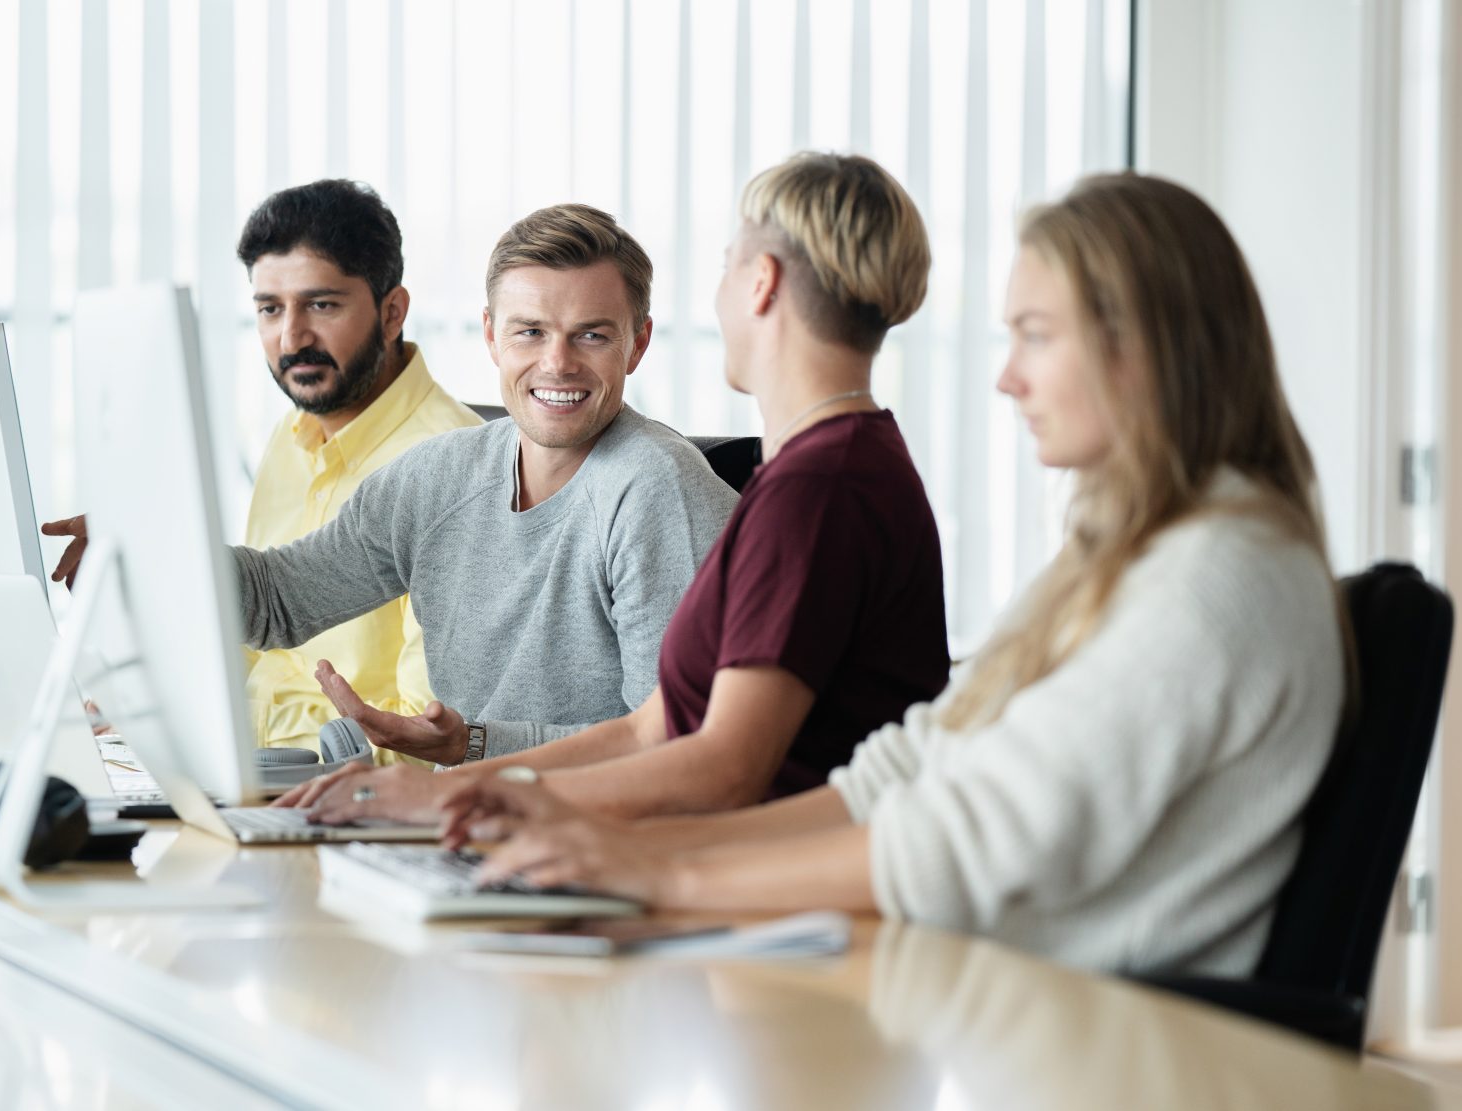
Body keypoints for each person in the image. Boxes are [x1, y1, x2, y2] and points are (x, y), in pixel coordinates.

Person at [438, 173, 1349, 977]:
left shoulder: (1210, 580)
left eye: (1035, 336)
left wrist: (663, 868)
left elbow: (966, 841)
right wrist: (619, 848)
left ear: (1140, 347)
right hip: (977, 991)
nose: (1005, 378)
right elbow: (908, 772)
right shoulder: (1119, 558)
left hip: (1079, 1035)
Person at [288, 153, 950, 822]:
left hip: (764, 884)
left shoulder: (818, 492)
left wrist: (453, 798)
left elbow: (717, 767)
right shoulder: (819, 474)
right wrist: (461, 774)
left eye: (726, 264)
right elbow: (650, 729)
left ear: (760, 282)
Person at [232, 203, 739, 761]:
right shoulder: (434, 477)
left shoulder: (656, 490)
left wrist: (475, 746)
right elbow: (278, 603)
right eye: (530, 332)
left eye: (590, 335)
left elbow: (676, 747)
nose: (557, 363)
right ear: (492, 337)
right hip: (465, 823)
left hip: (597, 832)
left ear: (637, 344)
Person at [45, 180, 481, 763]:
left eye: (321, 305)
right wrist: (152, 709)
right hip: (254, 768)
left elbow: (427, 740)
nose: (291, 337)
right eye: (270, 309)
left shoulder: (453, 465)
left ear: (392, 311)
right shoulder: (292, 435)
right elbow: (261, 649)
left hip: (348, 797)